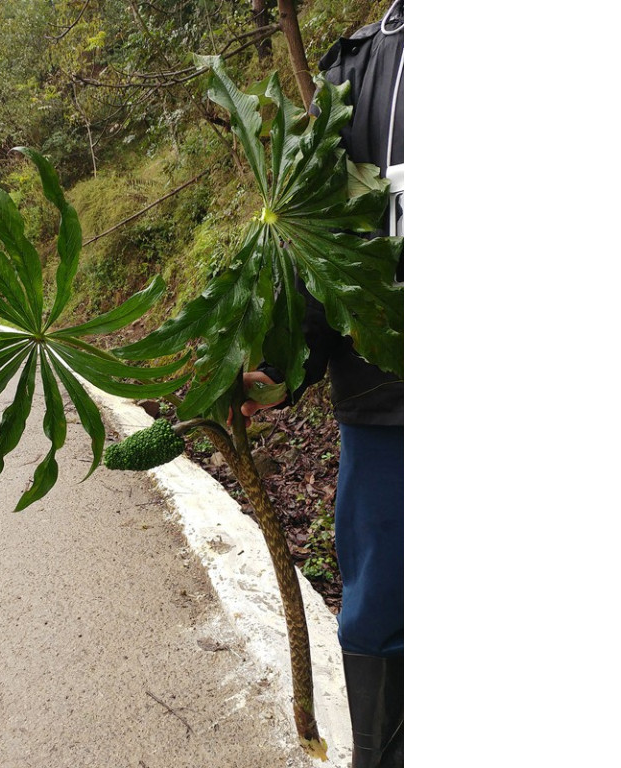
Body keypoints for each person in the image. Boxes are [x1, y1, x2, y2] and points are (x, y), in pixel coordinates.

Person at [240, 2, 404, 766]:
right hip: (388, 404)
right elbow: (319, 254)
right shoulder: (356, 67)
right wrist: (278, 369)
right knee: (379, 611)